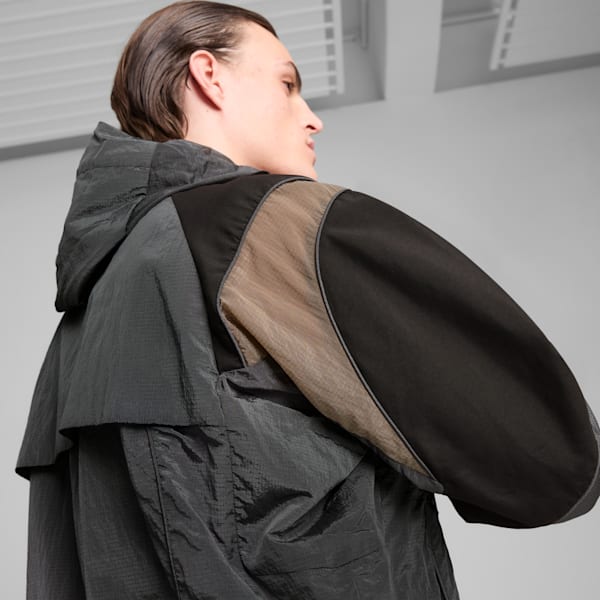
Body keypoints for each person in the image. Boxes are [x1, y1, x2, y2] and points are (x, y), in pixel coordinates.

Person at [16, 2, 600, 599]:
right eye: (287, 84)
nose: (312, 118)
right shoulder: (275, 226)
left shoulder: (85, 311)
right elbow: (552, 464)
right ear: (208, 75)